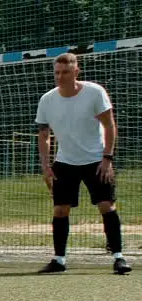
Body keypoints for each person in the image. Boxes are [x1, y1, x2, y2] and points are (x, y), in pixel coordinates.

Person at [35, 52, 131, 275]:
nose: (60, 76)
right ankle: (59, 260)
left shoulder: (94, 92)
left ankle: (118, 257)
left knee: (106, 205)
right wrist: (46, 166)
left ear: (76, 72)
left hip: (96, 160)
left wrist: (107, 158)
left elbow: (109, 125)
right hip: (65, 162)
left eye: (65, 72)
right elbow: (43, 134)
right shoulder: (47, 99)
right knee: (59, 210)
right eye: (57, 72)